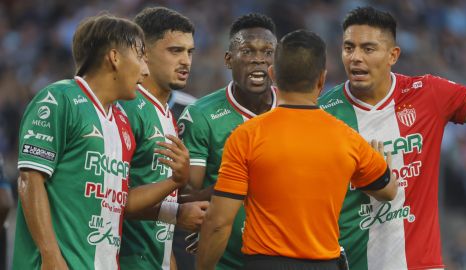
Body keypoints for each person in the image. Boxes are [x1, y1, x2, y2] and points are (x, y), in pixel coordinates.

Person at [196, 29, 398, 270]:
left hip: (265, 264)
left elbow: (218, 223)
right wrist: (381, 164)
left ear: (272, 75)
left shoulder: (246, 136)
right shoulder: (348, 139)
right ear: (322, 80)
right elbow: (387, 191)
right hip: (324, 264)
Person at [14, 14, 190, 269]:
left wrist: (173, 182)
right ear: (115, 57)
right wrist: (50, 254)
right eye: (140, 56)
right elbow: (30, 178)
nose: (145, 69)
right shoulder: (57, 99)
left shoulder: (120, 120)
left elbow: (122, 201)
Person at [318, 6, 466, 270]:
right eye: (349, 48)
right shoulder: (322, 114)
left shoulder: (428, 94)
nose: (356, 57)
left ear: (393, 55)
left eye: (368, 49)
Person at [177, 13, 278, 269]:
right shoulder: (201, 115)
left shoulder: (296, 108)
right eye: (247, 51)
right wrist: (243, 181)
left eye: (268, 52)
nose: (258, 59)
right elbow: (187, 199)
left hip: (287, 255)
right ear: (228, 60)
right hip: (226, 261)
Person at [118, 7, 208, 270]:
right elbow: (107, 198)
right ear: (143, 52)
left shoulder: (166, 113)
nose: (186, 61)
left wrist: (167, 260)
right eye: (175, 51)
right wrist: (176, 214)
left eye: (190, 52)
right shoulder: (126, 108)